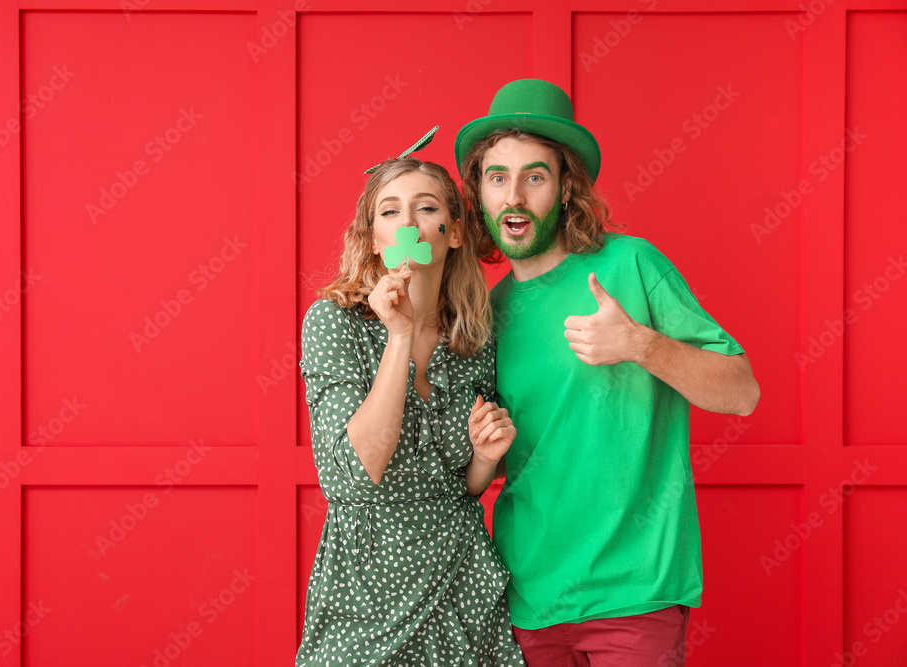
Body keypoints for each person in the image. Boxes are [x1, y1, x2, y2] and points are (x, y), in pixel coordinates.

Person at [455, 79, 760, 666]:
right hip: (528, 601)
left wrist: (640, 345)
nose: (514, 196)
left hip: (634, 596)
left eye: (534, 177)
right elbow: (481, 467)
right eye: (498, 177)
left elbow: (742, 392)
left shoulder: (632, 265)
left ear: (566, 187)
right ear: (480, 192)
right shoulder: (486, 313)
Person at [295, 137, 527, 666]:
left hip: (462, 580)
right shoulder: (334, 323)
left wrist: (486, 457)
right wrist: (398, 338)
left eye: (426, 208)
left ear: (454, 232)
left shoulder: (476, 337)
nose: (408, 224)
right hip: (366, 588)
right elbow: (351, 476)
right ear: (374, 239)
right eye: (390, 211)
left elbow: (461, 486)